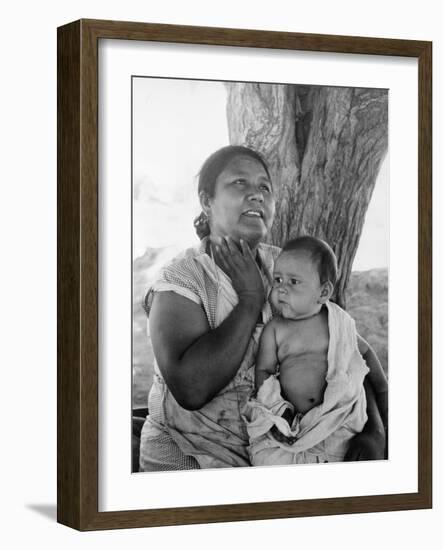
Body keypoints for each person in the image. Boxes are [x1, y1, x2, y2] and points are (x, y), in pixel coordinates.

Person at [139, 145, 386, 471]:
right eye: (239, 183)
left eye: (264, 187)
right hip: (194, 458)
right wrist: (250, 298)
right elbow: (191, 389)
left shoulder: (287, 268)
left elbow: (343, 351)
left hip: (285, 451)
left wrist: (374, 430)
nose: (256, 194)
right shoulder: (182, 280)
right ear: (206, 200)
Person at [243, 236, 388, 465]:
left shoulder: (337, 322)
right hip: (291, 423)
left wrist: (382, 391)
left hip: (337, 420)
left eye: (293, 282)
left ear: (323, 293)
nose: (281, 289)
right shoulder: (276, 329)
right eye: (278, 280)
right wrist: (276, 411)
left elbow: (365, 354)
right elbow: (264, 371)